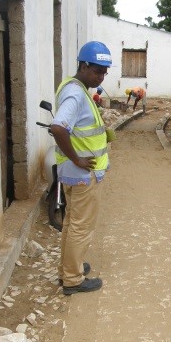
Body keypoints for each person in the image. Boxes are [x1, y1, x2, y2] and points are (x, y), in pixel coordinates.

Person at [49, 41, 112, 295]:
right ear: (84, 66)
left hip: (75, 173)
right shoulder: (76, 93)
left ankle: (67, 269)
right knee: (80, 226)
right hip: (83, 173)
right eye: (97, 70)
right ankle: (73, 279)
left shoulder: (75, 87)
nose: (102, 76)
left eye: (105, 72)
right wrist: (77, 159)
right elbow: (58, 127)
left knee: (72, 223)